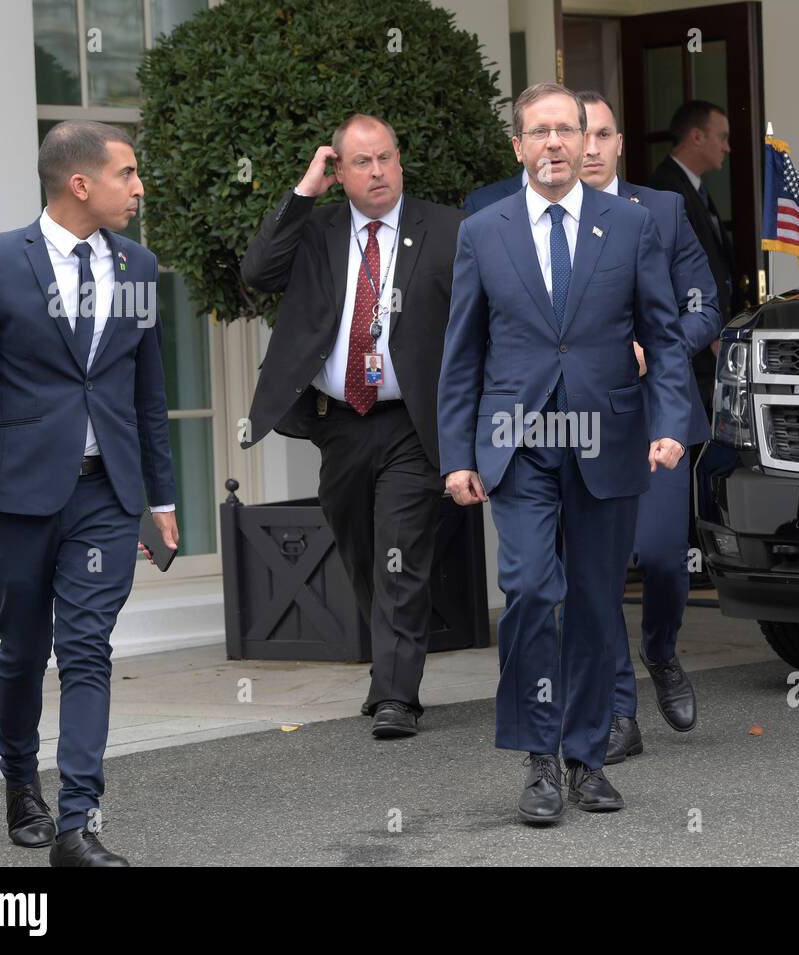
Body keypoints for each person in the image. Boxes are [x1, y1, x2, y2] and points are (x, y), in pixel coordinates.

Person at [438, 82, 692, 825]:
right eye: (538, 132)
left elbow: (665, 334)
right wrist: (458, 454)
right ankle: (537, 761)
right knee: (527, 591)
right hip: (518, 445)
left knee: (591, 603)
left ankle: (585, 760)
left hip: (606, 438)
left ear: (588, 142)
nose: (554, 143)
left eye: (567, 131)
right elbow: (462, 354)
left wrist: (670, 419)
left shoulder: (630, 225)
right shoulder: (484, 231)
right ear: (517, 146)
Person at [0, 120, 178, 867]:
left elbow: (148, 398)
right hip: (14, 499)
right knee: (22, 651)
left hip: (105, 495)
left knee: (85, 649)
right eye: (128, 174)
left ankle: (78, 823)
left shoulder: (139, 267)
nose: (139, 189)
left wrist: (162, 500)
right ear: (81, 183)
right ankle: (20, 781)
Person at [240, 114, 465, 739]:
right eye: (361, 163)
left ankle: (396, 694)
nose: (378, 173)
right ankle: (391, 667)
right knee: (362, 549)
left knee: (401, 552)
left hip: (411, 422)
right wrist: (304, 190)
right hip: (338, 423)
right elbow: (257, 273)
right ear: (338, 170)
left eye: (386, 159)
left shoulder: (446, 229)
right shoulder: (316, 231)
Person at [572, 90, 722, 763]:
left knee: (663, 556)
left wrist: (652, 346)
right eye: (581, 135)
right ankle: (618, 711)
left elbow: (703, 306)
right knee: (597, 570)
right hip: (582, 421)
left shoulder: (661, 209)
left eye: (604, 133)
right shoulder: (544, 222)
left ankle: (660, 650)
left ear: (621, 141)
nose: (592, 147)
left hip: (657, 409)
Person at [646, 99, 738, 412]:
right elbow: (669, 272)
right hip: (692, 348)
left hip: (708, 341)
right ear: (697, 137)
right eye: (722, 137)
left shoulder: (695, 188)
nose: (727, 147)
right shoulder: (664, 190)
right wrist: (704, 334)